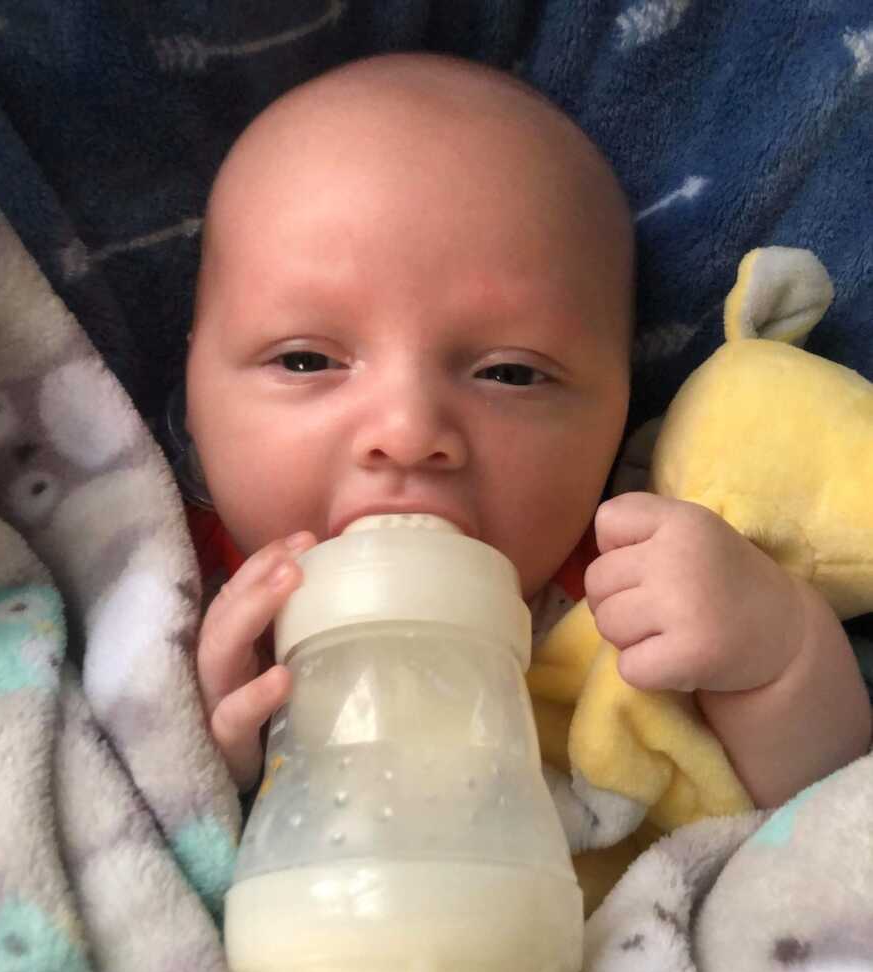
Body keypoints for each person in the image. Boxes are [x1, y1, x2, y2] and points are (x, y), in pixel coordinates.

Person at [183, 51, 871, 812]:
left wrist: (777, 654)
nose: (408, 432)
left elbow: (825, 812)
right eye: (307, 360)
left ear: (620, 408)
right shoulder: (175, 605)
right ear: (190, 397)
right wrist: (209, 765)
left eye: (510, 374)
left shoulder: (630, 596)